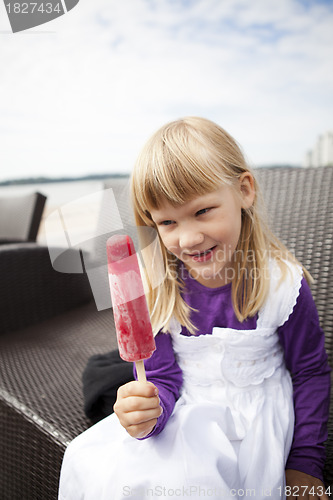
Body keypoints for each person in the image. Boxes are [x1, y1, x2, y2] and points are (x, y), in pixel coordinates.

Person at [58, 117, 331, 500]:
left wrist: (304, 462)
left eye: (203, 211)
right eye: (168, 221)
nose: (188, 238)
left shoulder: (282, 285)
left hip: (260, 426)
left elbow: (310, 371)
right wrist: (149, 415)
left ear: (245, 191)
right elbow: (163, 381)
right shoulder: (158, 292)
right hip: (190, 417)